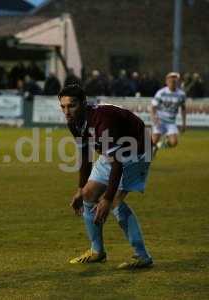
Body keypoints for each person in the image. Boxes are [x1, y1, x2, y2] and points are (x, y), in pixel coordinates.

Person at [58, 84, 153, 269]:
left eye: (72, 105)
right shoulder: (74, 122)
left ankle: (142, 256)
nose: (67, 111)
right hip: (114, 153)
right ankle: (97, 251)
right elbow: (85, 156)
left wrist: (108, 199)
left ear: (84, 103)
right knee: (88, 195)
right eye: (63, 106)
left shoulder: (103, 121)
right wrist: (79, 189)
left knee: (116, 203)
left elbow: (117, 163)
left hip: (138, 152)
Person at [151, 72, 186, 156]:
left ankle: (158, 146)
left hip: (171, 122)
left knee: (173, 142)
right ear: (167, 81)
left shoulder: (181, 94)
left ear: (177, 81)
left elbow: (183, 108)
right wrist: (155, 119)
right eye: (171, 78)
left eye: (175, 78)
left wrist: (184, 123)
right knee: (153, 141)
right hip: (160, 120)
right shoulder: (161, 92)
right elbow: (153, 107)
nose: (173, 80)